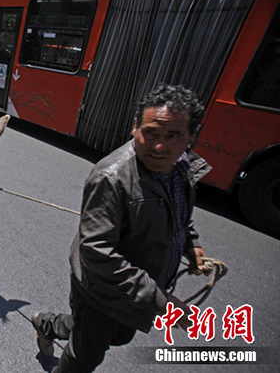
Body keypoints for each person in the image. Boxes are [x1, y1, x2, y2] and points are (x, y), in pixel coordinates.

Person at [32, 84, 212, 372]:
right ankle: (55, 327)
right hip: (102, 289)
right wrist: (161, 302)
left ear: (191, 138)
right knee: (84, 356)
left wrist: (192, 244)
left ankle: (47, 323)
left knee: (115, 336)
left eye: (173, 136)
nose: (159, 146)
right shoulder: (111, 177)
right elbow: (97, 251)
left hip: (138, 290)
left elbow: (178, 214)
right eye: (150, 132)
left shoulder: (183, 167)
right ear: (134, 128)